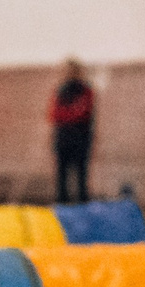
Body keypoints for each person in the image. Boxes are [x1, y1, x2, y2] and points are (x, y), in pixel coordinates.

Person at [49, 59, 96, 206]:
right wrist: (68, 115)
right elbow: (54, 114)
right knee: (62, 177)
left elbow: (81, 112)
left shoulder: (85, 90)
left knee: (81, 176)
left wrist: (67, 116)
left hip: (80, 140)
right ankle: (62, 206)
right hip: (63, 140)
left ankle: (83, 207)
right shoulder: (61, 91)